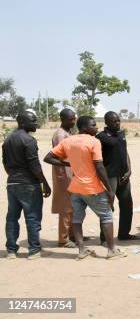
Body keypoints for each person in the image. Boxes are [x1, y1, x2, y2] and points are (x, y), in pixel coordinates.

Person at [44, 116, 126, 260]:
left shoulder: (68, 141)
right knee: (106, 216)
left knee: (77, 219)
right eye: (93, 125)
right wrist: (109, 190)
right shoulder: (94, 141)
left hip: (75, 188)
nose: (97, 128)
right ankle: (112, 250)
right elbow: (99, 166)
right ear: (84, 128)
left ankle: (81, 250)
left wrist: (67, 164)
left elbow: (48, 157)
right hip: (92, 188)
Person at [3, 112, 51, 260]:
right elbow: (35, 166)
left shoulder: (8, 139)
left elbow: (5, 163)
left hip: (12, 183)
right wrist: (45, 183)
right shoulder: (29, 140)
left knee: (12, 217)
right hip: (29, 184)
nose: (36, 123)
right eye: (33, 121)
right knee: (32, 217)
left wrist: (14, 176)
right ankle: (34, 250)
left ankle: (11, 251)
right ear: (23, 123)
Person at [97, 111, 138, 244]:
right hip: (110, 176)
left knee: (127, 204)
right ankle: (104, 237)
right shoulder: (101, 137)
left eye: (119, 120)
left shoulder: (121, 134)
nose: (118, 123)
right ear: (107, 122)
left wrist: (129, 169)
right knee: (108, 206)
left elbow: (125, 153)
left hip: (124, 176)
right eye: (115, 121)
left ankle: (124, 233)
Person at [51, 108, 76, 248]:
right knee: (65, 208)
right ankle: (63, 239)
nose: (73, 121)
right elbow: (59, 156)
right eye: (71, 119)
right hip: (64, 175)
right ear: (63, 119)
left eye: (74, 118)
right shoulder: (60, 135)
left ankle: (72, 234)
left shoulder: (68, 133)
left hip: (70, 174)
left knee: (72, 207)